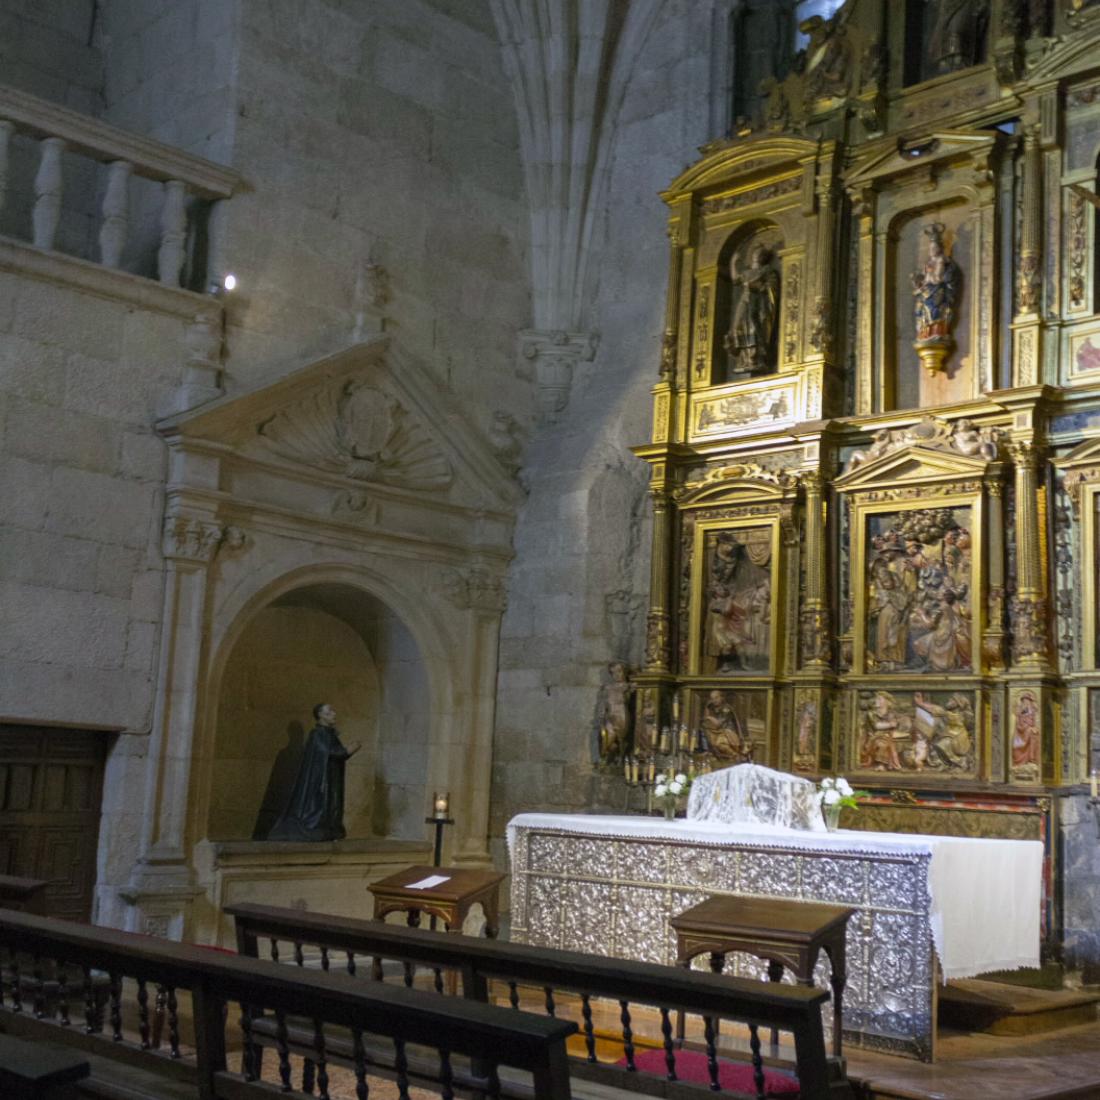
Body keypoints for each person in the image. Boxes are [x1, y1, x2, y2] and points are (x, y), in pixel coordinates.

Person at [268, 703, 361, 842]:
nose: (334, 713)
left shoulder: (329, 735)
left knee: (332, 804)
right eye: (329, 711)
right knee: (319, 807)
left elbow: (336, 754)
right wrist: (349, 750)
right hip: (320, 781)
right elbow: (331, 753)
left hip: (331, 778)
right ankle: (316, 828)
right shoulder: (317, 735)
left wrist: (346, 751)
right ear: (320, 715)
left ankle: (330, 828)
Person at [725, 243, 780, 375]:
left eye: (760, 253)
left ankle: (755, 358)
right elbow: (735, 280)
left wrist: (756, 286)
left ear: (764, 257)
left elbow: (771, 288)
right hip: (745, 302)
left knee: (754, 328)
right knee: (738, 326)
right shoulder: (748, 272)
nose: (757, 255)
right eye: (756, 253)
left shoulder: (767, 271)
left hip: (758, 304)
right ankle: (743, 359)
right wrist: (733, 262)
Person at [911, 224, 961, 343]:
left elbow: (938, 278)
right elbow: (924, 278)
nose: (931, 250)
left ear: (940, 248)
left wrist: (929, 275)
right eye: (930, 248)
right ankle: (925, 334)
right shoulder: (929, 262)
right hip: (926, 291)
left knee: (935, 311)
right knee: (920, 311)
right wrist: (917, 281)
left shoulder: (941, 260)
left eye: (934, 248)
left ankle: (937, 333)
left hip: (936, 291)